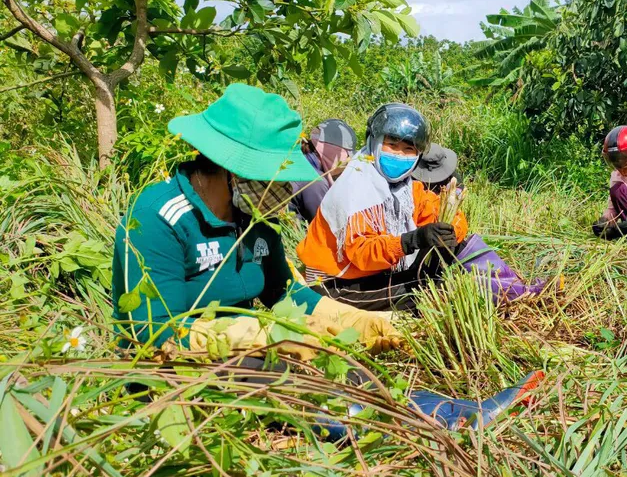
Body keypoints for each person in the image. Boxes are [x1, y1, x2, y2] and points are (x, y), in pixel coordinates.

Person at [112, 84, 402, 359]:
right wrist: (259, 336)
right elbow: (154, 335)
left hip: (247, 353)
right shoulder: (158, 218)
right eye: (268, 175)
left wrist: (355, 321)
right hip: (177, 371)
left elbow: (282, 291)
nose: (283, 189)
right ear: (231, 169)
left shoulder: (257, 219)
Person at [297, 103, 469, 312]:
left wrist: (452, 231)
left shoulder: (406, 188)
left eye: (408, 149)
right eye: (392, 145)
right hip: (334, 283)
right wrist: (411, 240)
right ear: (375, 143)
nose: (399, 154)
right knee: (430, 290)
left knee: (454, 250)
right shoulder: (356, 186)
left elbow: (442, 211)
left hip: (372, 274)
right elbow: (362, 254)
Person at [290, 119, 358, 222]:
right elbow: (324, 224)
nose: (346, 164)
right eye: (347, 156)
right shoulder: (315, 181)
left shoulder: (295, 158)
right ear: (333, 153)